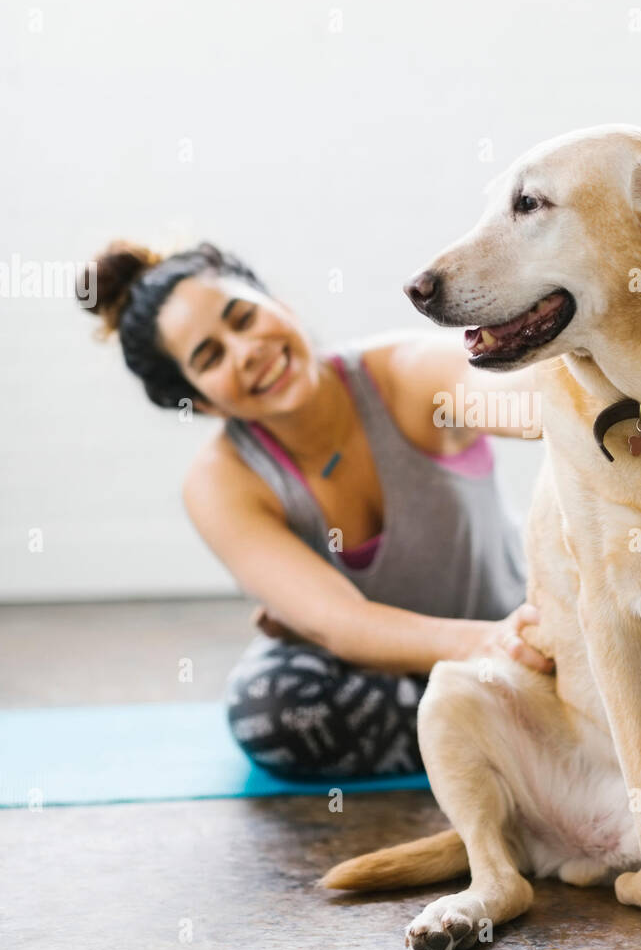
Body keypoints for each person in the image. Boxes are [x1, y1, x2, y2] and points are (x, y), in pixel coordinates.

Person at [79, 241, 552, 781]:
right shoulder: (221, 481)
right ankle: (506, 736)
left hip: (519, 629)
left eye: (244, 317)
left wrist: (581, 362)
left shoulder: (404, 372)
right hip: (400, 670)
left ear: (280, 304)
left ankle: (503, 733)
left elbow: (521, 400)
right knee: (269, 709)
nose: (246, 350)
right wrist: (490, 647)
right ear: (202, 402)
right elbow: (344, 625)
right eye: (210, 357)